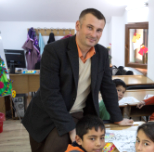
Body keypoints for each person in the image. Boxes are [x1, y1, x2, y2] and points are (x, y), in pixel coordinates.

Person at [22, 8, 133, 152]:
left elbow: (107, 87)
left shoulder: (102, 54)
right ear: (78, 26)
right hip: (46, 114)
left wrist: (117, 117)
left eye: (99, 30)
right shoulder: (53, 50)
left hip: (77, 113)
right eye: (89, 27)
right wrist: (70, 128)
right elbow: (50, 94)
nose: (94, 34)